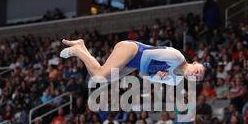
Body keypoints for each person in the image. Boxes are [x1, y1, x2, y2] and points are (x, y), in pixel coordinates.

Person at [60, 39, 205, 84]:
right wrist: (144, 72)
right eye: (197, 71)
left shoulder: (175, 81)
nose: (194, 75)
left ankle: (81, 47)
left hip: (134, 63)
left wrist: (155, 77)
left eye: (196, 78)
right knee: (102, 76)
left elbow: (151, 78)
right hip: (133, 50)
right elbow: (147, 54)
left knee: (100, 79)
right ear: (194, 63)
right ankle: (77, 51)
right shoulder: (177, 57)